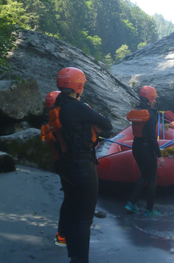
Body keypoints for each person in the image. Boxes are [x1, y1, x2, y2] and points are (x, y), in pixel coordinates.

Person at [53, 67, 113, 263]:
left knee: (71, 208)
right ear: (78, 85)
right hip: (81, 165)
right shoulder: (77, 107)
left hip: (65, 164)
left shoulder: (57, 105)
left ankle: (73, 255)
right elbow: (107, 124)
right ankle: (80, 260)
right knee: (84, 217)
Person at [125, 86, 165, 216]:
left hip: (136, 145)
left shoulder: (136, 110)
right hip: (147, 148)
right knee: (152, 179)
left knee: (144, 176)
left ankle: (131, 203)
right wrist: (159, 155)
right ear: (152, 99)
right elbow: (152, 137)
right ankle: (149, 209)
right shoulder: (151, 114)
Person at [40, 90, 67, 248]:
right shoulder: (61, 122)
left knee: (69, 198)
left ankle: (62, 234)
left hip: (58, 162)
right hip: (67, 162)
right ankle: (63, 234)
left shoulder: (47, 124)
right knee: (71, 200)